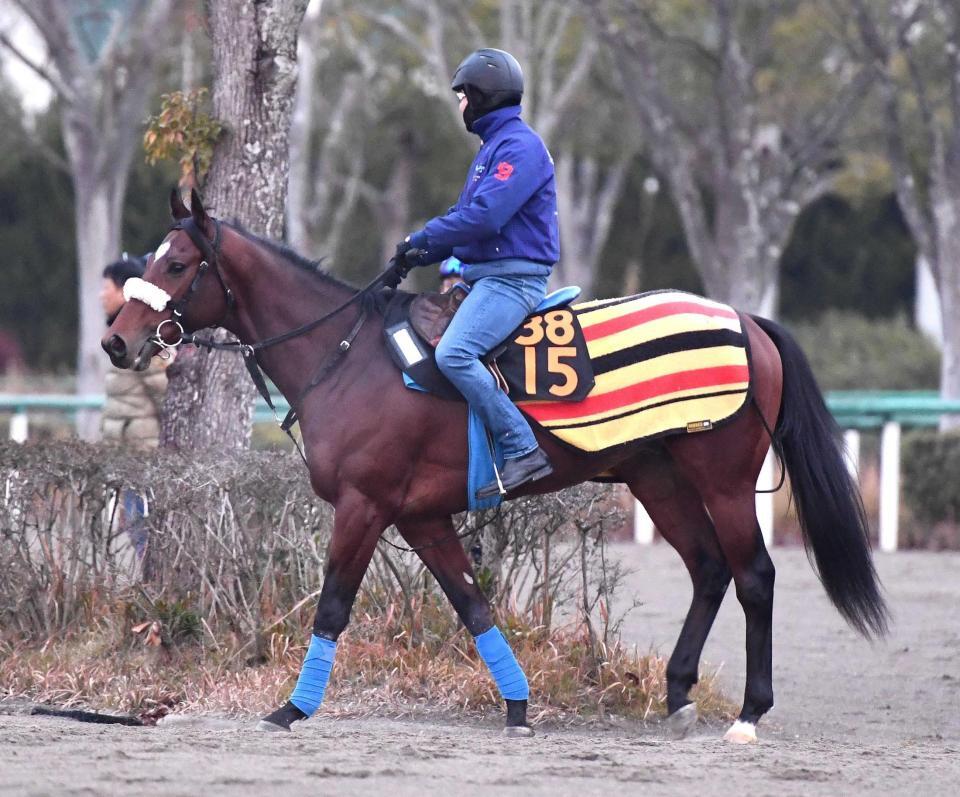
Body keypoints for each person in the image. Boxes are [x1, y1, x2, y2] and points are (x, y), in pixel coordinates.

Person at [392, 48, 559, 498]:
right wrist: (415, 253)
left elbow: (485, 217)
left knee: (454, 354)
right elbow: (464, 217)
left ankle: (523, 448)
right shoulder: (493, 148)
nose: (461, 103)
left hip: (512, 281)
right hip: (486, 277)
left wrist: (422, 237)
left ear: (483, 96)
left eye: (463, 95)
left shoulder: (519, 147)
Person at [100, 254, 170, 571]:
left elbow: (164, 394)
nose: (101, 294)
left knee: (143, 533)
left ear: (125, 290)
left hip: (143, 458)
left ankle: (154, 585)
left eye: (107, 287)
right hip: (129, 457)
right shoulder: (122, 338)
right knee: (136, 529)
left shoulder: (142, 341)